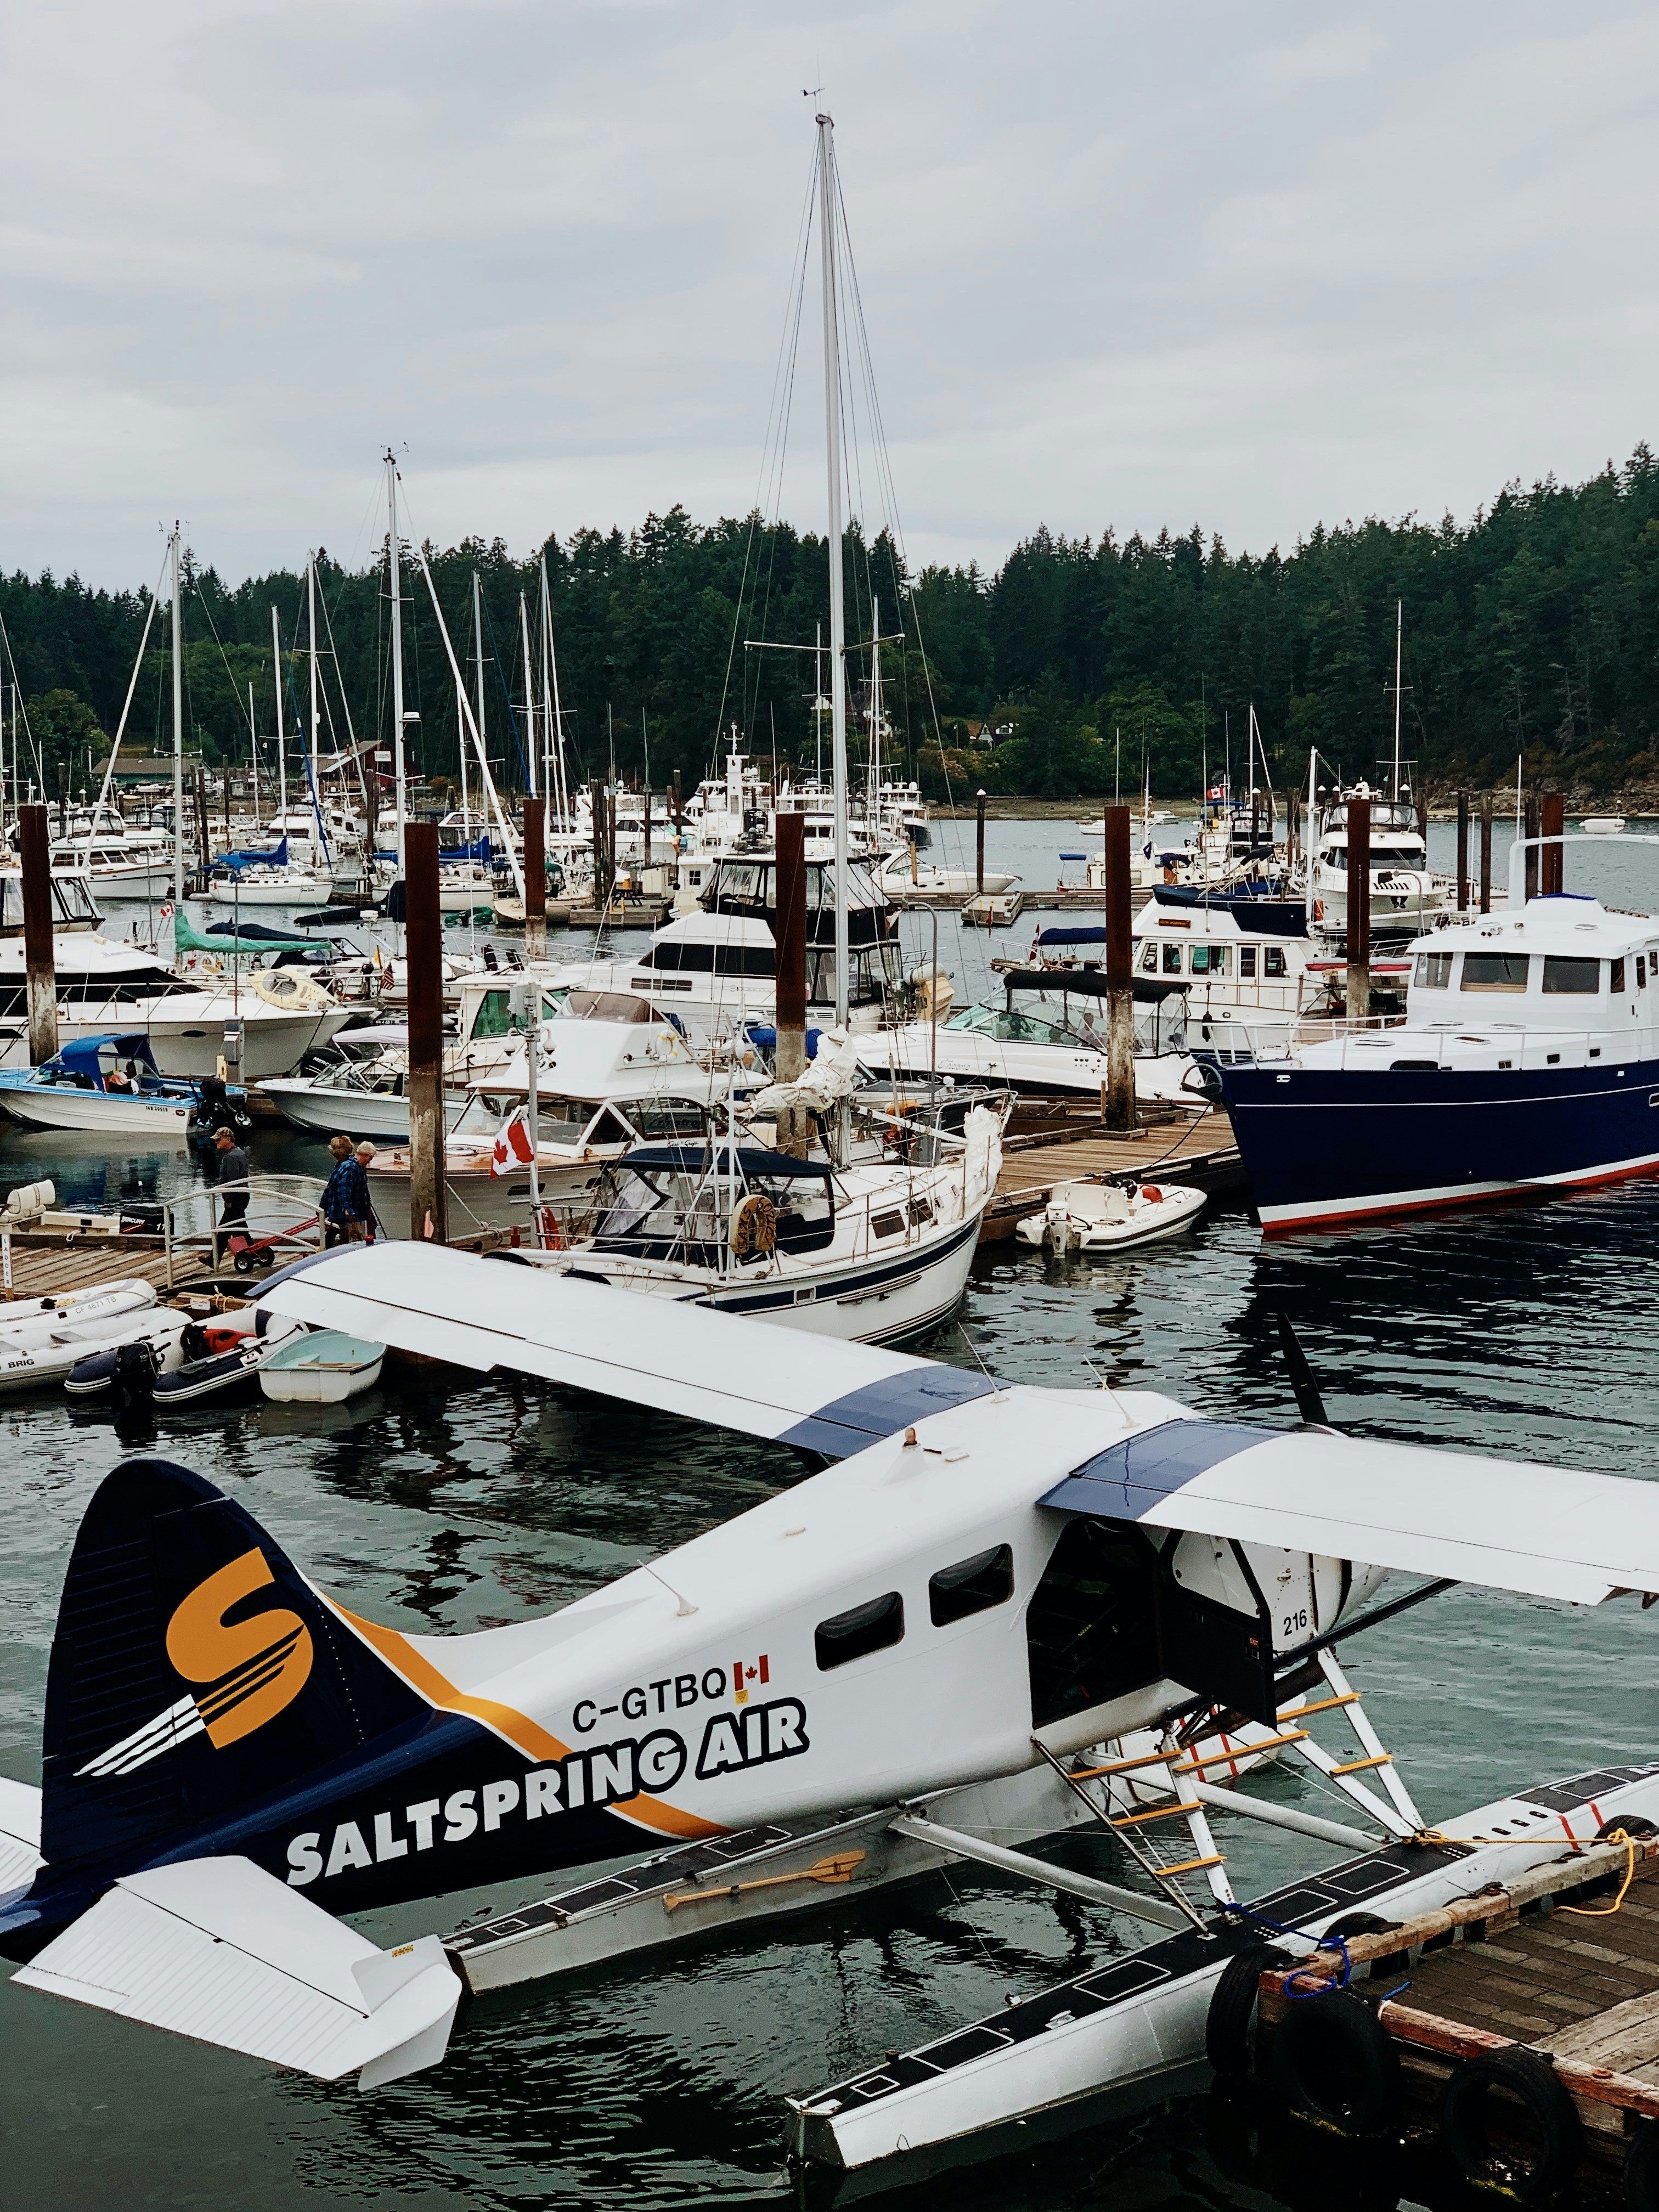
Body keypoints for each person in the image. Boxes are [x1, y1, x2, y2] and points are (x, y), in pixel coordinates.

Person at [321, 1133, 371, 1246]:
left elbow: (330, 1188)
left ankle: (327, 1249)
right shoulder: (351, 1167)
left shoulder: (343, 1166)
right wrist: (348, 1208)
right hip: (343, 1211)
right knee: (345, 1233)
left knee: (333, 1231)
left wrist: (322, 1206)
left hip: (337, 1209)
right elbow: (343, 1190)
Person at [212, 1124, 251, 1262]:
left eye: (219, 1140)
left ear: (228, 1140)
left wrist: (228, 1199)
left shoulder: (231, 1157)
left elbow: (234, 1181)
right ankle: (214, 1258)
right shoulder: (239, 1153)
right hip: (241, 1195)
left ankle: (253, 1252)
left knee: (228, 1228)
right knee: (233, 1228)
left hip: (235, 1198)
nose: (216, 1142)